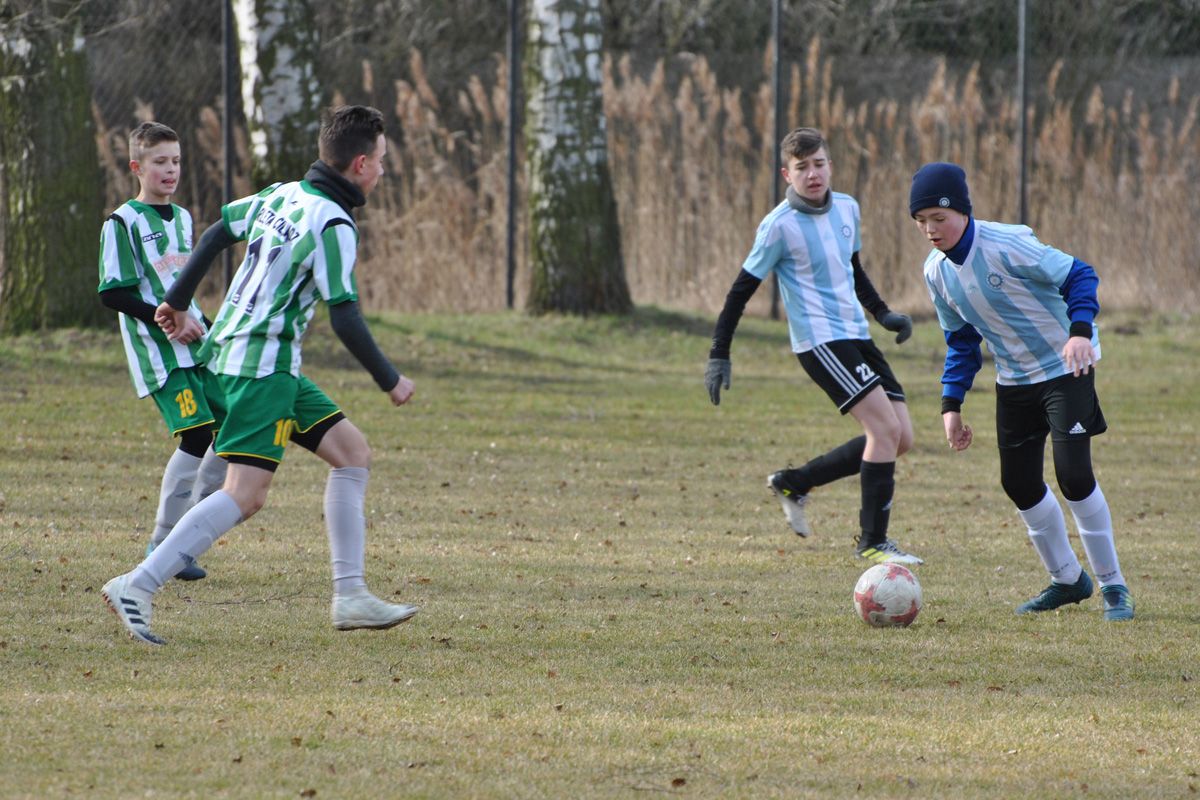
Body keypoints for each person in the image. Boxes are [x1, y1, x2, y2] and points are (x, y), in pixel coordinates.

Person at [102, 105, 419, 645]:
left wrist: (177, 299)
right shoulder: (333, 223)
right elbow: (344, 313)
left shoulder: (283, 194)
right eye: (382, 160)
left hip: (241, 354)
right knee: (245, 494)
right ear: (361, 164)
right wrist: (389, 379)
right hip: (262, 367)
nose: (384, 170)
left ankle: (350, 595)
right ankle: (139, 583)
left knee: (352, 454)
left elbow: (217, 232)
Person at [910, 161, 1134, 621]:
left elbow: (1080, 274)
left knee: (1074, 476)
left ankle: (1114, 586)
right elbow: (962, 341)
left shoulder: (1007, 244)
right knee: (1019, 483)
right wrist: (951, 404)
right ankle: (1067, 579)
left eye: (939, 218)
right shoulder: (935, 272)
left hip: (1065, 365)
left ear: (963, 212)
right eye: (922, 221)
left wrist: (1079, 331)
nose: (931, 230)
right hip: (1013, 378)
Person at [705, 127, 922, 565]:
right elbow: (739, 292)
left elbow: (853, 270)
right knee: (884, 430)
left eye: (819, 164)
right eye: (802, 167)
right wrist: (718, 353)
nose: (813, 174)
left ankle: (795, 481)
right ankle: (873, 541)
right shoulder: (778, 227)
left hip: (856, 334)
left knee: (901, 437)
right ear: (787, 174)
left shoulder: (848, 208)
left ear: (830, 165)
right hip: (820, 341)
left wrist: (883, 314)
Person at [97, 121, 225, 582]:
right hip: (160, 352)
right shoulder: (122, 223)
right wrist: (167, 318)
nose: (170, 170)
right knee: (197, 435)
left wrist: (202, 322)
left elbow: (180, 283)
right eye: (159, 162)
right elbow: (113, 293)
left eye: (176, 161)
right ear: (137, 167)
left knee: (233, 427)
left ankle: (185, 539)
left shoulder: (185, 218)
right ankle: (163, 543)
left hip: (196, 345)